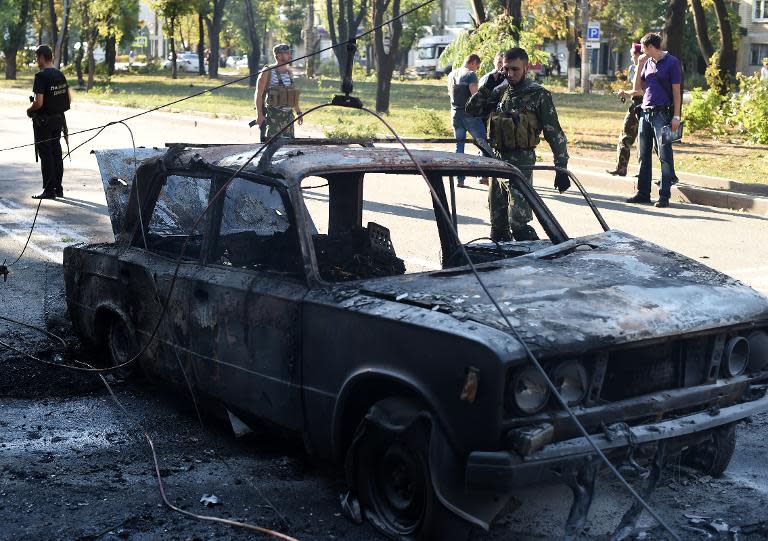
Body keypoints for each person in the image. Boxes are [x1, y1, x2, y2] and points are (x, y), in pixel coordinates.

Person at [466, 47, 570, 242]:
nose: (510, 74)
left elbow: (554, 133)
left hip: (520, 165)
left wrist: (561, 168)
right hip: (497, 163)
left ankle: (543, 262)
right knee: (497, 224)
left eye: (515, 69)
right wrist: (487, 86)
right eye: (506, 69)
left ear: (526, 68)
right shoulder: (500, 92)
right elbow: (472, 109)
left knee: (519, 222)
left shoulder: (539, 95)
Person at [622, 33, 682, 208]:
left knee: (664, 155)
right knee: (643, 154)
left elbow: (677, 93)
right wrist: (640, 65)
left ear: (650, 47)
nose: (642, 52)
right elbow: (637, 89)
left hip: (662, 114)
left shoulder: (672, 62)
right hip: (645, 113)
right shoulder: (646, 62)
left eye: (643, 48)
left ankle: (664, 195)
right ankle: (643, 193)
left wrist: (676, 116)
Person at [27, 45, 70, 199]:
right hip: (59, 119)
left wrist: (30, 110)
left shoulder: (41, 77)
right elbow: (68, 98)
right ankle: (58, 188)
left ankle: (48, 190)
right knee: (56, 152)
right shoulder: (60, 74)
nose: (36, 60)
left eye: (37, 57)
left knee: (46, 155)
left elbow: (38, 102)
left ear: (42, 57)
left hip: (44, 122)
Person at [447, 54, 489, 187]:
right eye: (477, 66)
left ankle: (460, 179)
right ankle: (483, 175)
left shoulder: (452, 74)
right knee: (483, 143)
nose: (477, 69)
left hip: (455, 114)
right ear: (474, 63)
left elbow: (450, 93)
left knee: (459, 147)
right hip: (470, 116)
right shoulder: (471, 74)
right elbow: (475, 96)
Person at [608, 43, 646, 176]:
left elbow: (641, 91)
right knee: (630, 138)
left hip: (642, 107)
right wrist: (627, 93)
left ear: (639, 54)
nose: (631, 58)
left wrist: (626, 93)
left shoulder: (648, 68)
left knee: (638, 140)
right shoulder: (634, 68)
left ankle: (634, 171)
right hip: (637, 105)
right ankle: (622, 168)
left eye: (632, 55)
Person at [255, 44, 303, 141]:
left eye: (290, 53)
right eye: (287, 53)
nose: (290, 55)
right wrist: (259, 115)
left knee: (288, 147)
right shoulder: (267, 71)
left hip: (288, 117)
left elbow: (291, 96)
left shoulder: (289, 72)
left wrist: (298, 112)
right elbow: (259, 94)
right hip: (274, 117)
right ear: (278, 56)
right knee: (272, 145)